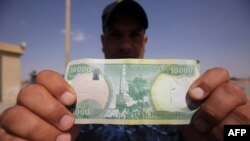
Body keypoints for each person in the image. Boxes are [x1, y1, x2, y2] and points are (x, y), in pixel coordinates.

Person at [0, 0, 249, 141]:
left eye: (135, 35)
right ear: (102, 41)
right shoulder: (68, 103)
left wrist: (237, 132)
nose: (126, 45)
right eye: (115, 34)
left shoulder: (186, 105)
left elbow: (239, 134)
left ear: (145, 41)